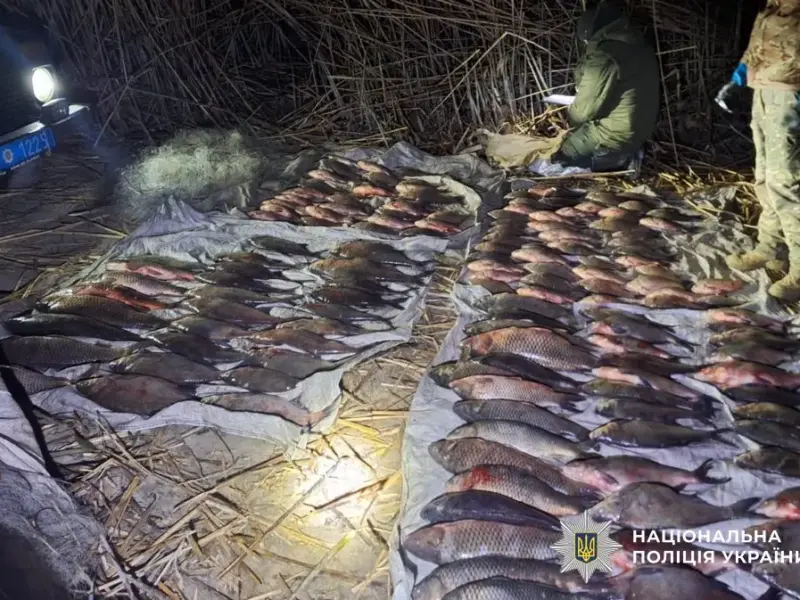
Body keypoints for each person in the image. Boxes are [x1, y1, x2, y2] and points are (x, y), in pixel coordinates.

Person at [719, 0, 800, 301]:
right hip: (764, 92)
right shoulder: (772, 7)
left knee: (787, 184)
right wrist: (741, 73)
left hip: (789, 97)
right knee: (765, 177)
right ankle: (771, 247)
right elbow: (759, 45)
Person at [550, 2, 660, 173]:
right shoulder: (637, 44)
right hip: (642, 128)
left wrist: (570, 120)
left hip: (615, 133)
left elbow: (584, 112)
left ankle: (615, 160)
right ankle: (623, 154)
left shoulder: (604, 56)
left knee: (563, 156)